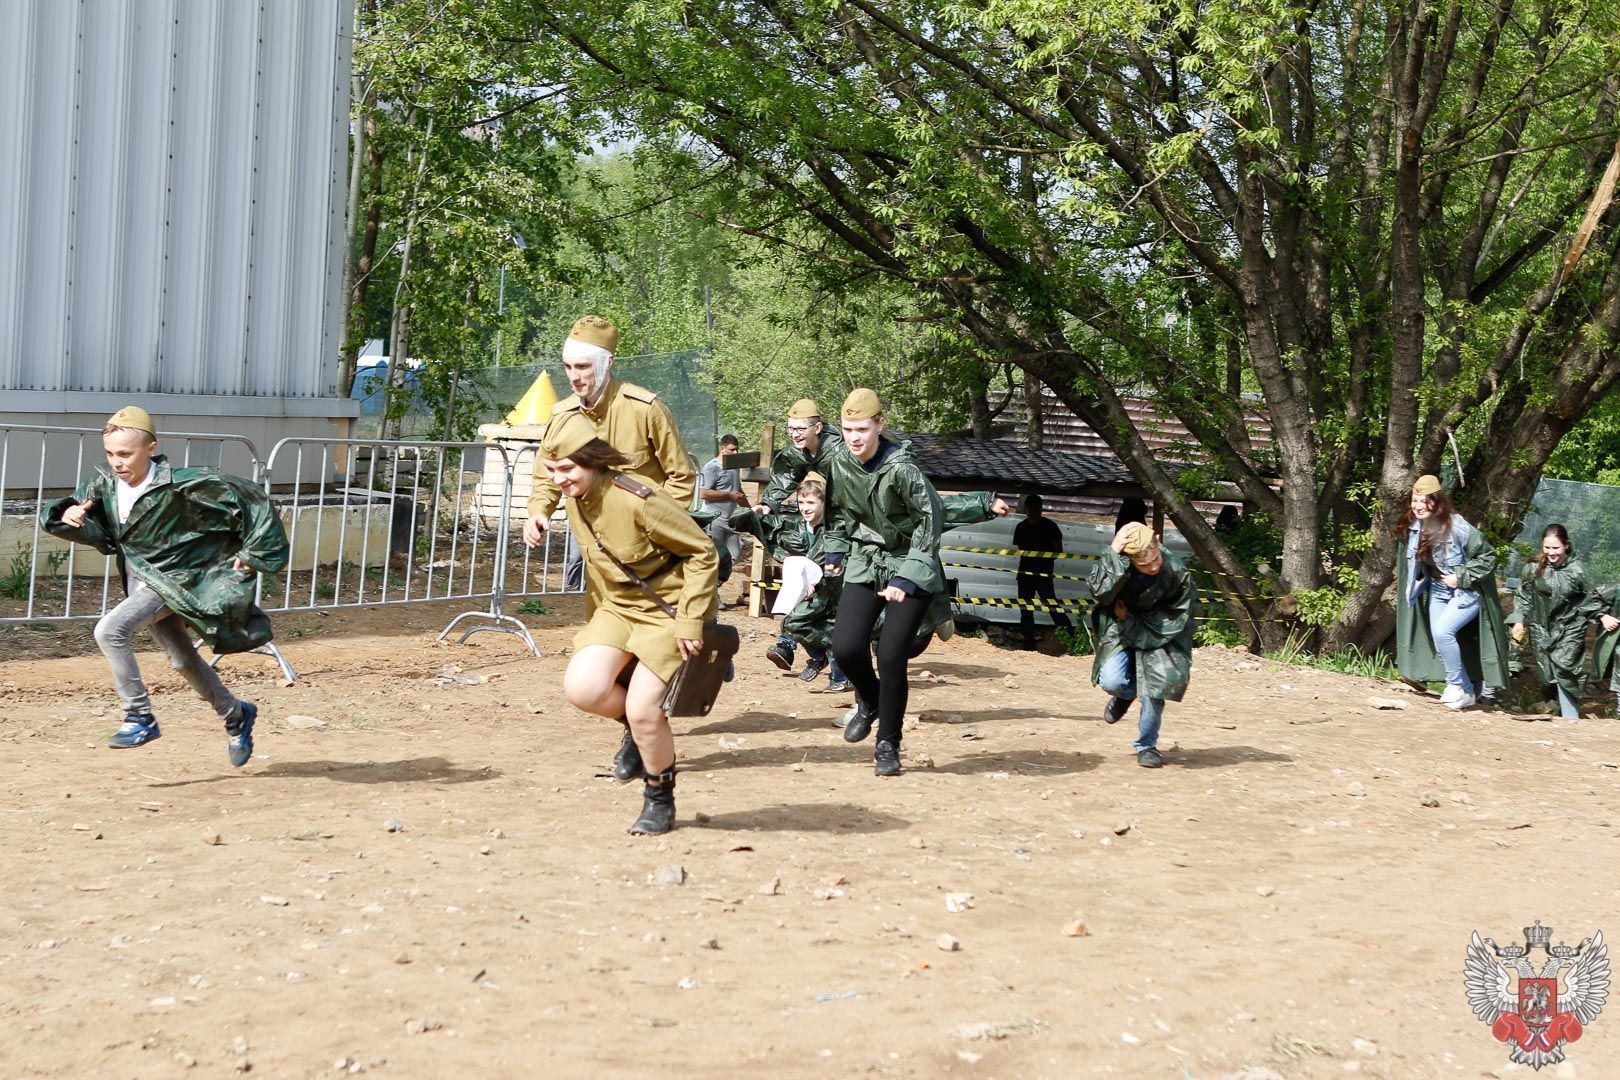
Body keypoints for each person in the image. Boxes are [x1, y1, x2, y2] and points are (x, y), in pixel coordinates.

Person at [40, 406, 289, 765]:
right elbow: (68, 512)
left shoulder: (182, 484)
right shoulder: (104, 485)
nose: (117, 462)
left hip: (175, 579)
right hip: (139, 580)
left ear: (151, 448)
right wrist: (68, 514)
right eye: (110, 453)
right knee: (181, 659)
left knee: (110, 631)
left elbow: (251, 499)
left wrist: (255, 553)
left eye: (125, 454)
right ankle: (235, 713)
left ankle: (138, 716)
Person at [523, 316, 696, 781]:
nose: (574, 376)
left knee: (643, 653)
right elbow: (545, 475)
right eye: (568, 367)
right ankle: (635, 730)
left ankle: (644, 733)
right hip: (600, 564)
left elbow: (681, 476)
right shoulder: (563, 415)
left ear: (607, 363)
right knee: (607, 657)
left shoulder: (644, 408)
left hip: (652, 565)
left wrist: (659, 527)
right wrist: (539, 511)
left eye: (583, 366)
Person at [544, 411, 719, 834]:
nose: (558, 480)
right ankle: (642, 732)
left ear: (592, 461)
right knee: (584, 688)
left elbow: (703, 552)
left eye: (566, 469)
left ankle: (659, 796)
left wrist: (691, 621)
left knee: (643, 709)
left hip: (668, 607)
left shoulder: (638, 497)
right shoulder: (577, 498)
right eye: (551, 470)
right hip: (619, 608)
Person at [824, 389, 946, 777]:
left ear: (880, 424)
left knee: (891, 655)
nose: (854, 437)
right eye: (847, 430)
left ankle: (888, 744)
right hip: (866, 558)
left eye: (862, 429)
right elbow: (837, 512)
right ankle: (873, 700)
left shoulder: (902, 469)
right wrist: (835, 550)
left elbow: (930, 520)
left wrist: (907, 576)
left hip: (911, 560)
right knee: (845, 648)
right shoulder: (839, 461)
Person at [1394, 475, 1512, 710]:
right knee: (1439, 638)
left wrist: (1461, 576)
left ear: (1436, 501)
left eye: (1423, 501)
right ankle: (1465, 689)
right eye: (1415, 500)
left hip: (1466, 592)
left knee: (1443, 631)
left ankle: (1457, 686)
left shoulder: (1457, 526)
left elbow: (1488, 557)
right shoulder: (1414, 526)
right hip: (1437, 590)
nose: (1417, 506)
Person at [731, 472, 852, 692]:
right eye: (801, 502)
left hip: (836, 588)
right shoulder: (797, 525)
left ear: (824, 504)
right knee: (798, 621)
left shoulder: (835, 528)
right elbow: (741, 521)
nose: (805, 508)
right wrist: (755, 513)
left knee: (829, 628)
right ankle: (816, 657)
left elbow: (835, 560)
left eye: (811, 503)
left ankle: (838, 675)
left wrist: (816, 582)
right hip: (811, 588)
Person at [1088, 523, 1195, 768]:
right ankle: (1126, 695)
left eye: (1155, 559)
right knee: (1112, 681)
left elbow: (1177, 613)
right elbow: (1099, 591)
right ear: (1129, 558)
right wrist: (1112, 552)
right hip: (1120, 626)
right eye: (1144, 565)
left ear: (1157, 541)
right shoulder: (1120, 562)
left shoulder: (1176, 571)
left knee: (1154, 689)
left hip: (1162, 631)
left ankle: (1147, 746)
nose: (1153, 567)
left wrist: (1132, 618)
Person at [1515, 524, 1606, 719]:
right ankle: (1553, 707)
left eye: (1556, 548)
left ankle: (1570, 718)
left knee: (1565, 669)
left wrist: (1602, 615)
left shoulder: (1577, 570)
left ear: (1566, 545)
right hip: (1541, 627)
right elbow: (1523, 596)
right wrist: (1518, 620)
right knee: (1546, 674)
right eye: (1547, 547)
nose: (1551, 552)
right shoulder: (1533, 567)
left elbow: (1592, 597)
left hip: (1570, 627)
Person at [755, 399, 844, 515]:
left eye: (801, 429)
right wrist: (767, 504)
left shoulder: (840, 452)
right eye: (791, 428)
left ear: (817, 428)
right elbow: (782, 480)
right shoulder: (793, 453)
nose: (795, 435)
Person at [1013, 494, 1072, 651]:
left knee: (1052, 606)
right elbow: (1020, 549)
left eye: (1035, 508)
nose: (1032, 512)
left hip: (1044, 575)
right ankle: (1028, 643)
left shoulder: (1050, 527)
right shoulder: (1021, 527)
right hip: (1025, 574)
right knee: (1026, 609)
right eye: (1030, 509)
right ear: (1026, 509)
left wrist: (1042, 558)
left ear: (1040, 509)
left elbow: (1058, 551)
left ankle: (1070, 637)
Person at [699, 434, 748, 587]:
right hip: (714, 519)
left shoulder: (734, 467)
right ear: (722, 448)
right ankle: (709, 592)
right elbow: (703, 493)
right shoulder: (712, 467)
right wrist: (729, 495)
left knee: (733, 555)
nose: (735, 453)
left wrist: (750, 510)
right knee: (714, 557)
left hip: (731, 520)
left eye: (737, 450)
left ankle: (714, 588)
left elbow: (738, 490)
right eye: (732, 450)